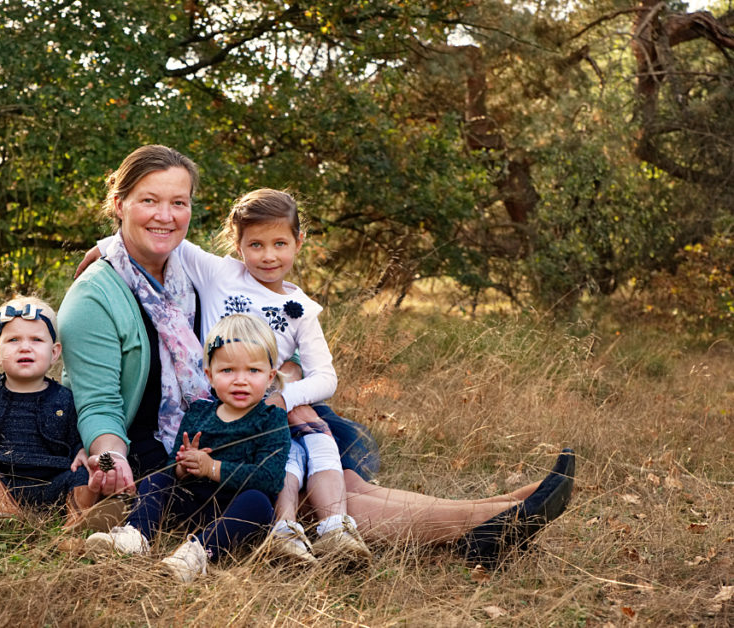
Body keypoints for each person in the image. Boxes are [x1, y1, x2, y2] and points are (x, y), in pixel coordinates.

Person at [59, 144, 574, 571]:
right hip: (170, 447)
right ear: (119, 202)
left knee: (340, 480)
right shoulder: (95, 297)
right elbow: (98, 403)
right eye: (150, 200)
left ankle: (502, 510)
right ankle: (484, 525)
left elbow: (252, 324)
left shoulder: (182, 269)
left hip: (233, 409)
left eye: (179, 202)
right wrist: (111, 456)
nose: (166, 216)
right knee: (309, 495)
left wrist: (281, 388)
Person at [82, 188, 368, 564]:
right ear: (237, 244)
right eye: (256, 245)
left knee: (312, 447)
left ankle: (330, 528)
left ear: (299, 242)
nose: (268, 256)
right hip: (218, 401)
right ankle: (137, 537)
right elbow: (161, 240)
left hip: (268, 404)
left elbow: (326, 377)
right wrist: (105, 249)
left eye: (280, 243)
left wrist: (285, 396)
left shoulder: (302, 311)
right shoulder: (219, 273)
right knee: (174, 472)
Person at [85, 314, 292, 582]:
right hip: (193, 505)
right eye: (228, 370)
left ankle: (197, 555)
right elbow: (173, 467)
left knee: (258, 503)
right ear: (210, 375)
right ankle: (135, 536)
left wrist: (213, 468)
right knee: (157, 480)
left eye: (253, 371)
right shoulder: (199, 413)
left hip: (235, 511)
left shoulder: (271, 419)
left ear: (270, 376)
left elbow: (271, 479)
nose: (241, 380)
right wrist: (182, 469)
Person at [0, 296, 118, 531]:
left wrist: (81, 450)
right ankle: (8, 517)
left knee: (83, 472)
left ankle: (76, 523)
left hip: (51, 483)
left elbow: (77, 439)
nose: (25, 346)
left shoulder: (65, 398)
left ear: (54, 352)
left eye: (36, 339)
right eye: (13, 340)